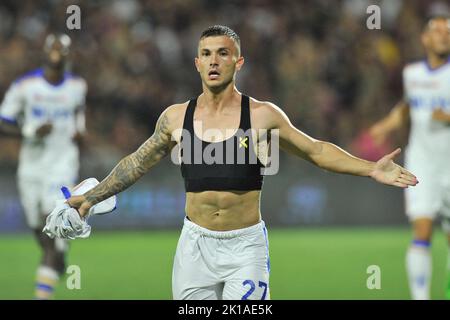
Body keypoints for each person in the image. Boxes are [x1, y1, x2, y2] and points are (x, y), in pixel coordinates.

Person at [67, 25, 417, 300]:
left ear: (239, 62)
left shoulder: (263, 115)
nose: (214, 61)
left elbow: (316, 150)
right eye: (206, 54)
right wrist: (91, 197)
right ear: (197, 63)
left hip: (245, 246)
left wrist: (370, 167)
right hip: (194, 245)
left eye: (223, 53)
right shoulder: (175, 118)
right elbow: (136, 163)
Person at [0, 33, 87, 299]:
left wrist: (80, 132)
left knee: (53, 221)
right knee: (40, 230)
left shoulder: (77, 86)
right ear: (46, 51)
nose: (58, 52)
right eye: (54, 47)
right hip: (31, 168)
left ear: (69, 54)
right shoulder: (25, 86)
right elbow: (4, 120)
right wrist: (30, 132)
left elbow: (79, 115)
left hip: (62, 165)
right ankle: (58, 257)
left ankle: (42, 293)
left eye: (64, 49)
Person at [370, 15, 450, 300]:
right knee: (423, 229)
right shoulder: (413, 74)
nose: (443, 35)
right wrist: (388, 124)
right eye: (436, 31)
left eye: (448, 31)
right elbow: (407, 105)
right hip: (423, 163)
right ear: (425, 39)